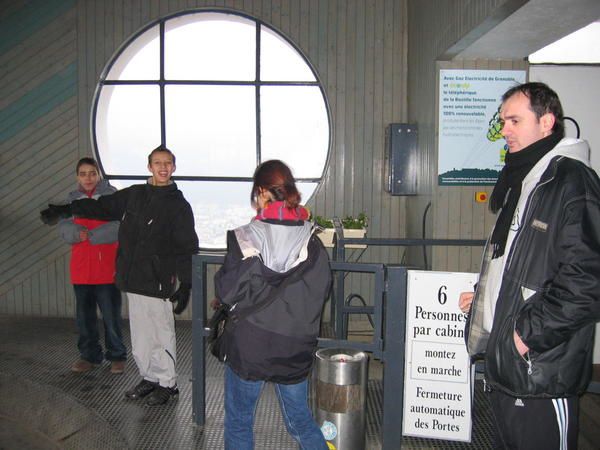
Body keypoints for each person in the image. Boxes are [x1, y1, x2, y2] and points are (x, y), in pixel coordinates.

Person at [459, 82, 600, 449]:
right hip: (509, 364)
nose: (504, 130)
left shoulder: (571, 183)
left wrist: (524, 337)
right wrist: (484, 297)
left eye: (514, 121)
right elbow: (520, 262)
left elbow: (587, 284)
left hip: (541, 372)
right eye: (504, 120)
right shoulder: (526, 180)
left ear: (547, 121)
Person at [41, 147, 199, 406]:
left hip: (159, 280)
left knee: (161, 333)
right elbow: (101, 208)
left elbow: (187, 246)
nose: (162, 167)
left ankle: (168, 383)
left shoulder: (178, 205)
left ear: (173, 168)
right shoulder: (135, 195)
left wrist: (187, 283)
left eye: (167, 163)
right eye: (157, 163)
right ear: (149, 167)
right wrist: (66, 209)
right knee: (140, 336)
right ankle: (149, 377)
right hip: (133, 278)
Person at [214, 160, 331, 450]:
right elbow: (320, 293)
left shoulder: (247, 237)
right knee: (300, 420)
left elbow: (227, 291)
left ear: (263, 192)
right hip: (294, 346)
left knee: (240, 421)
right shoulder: (312, 242)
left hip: (251, 345)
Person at [59, 157, 126, 374]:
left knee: (111, 316)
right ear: (77, 176)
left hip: (106, 269)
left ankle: (117, 356)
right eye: (83, 174)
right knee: (84, 318)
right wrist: (78, 234)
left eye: (92, 173)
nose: (88, 178)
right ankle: (88, 356)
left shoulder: (112, 197)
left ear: (99, 175)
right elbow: (64, 228)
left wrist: (92, 235)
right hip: (81, 270)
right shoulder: (72, 200)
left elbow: (120, 226)